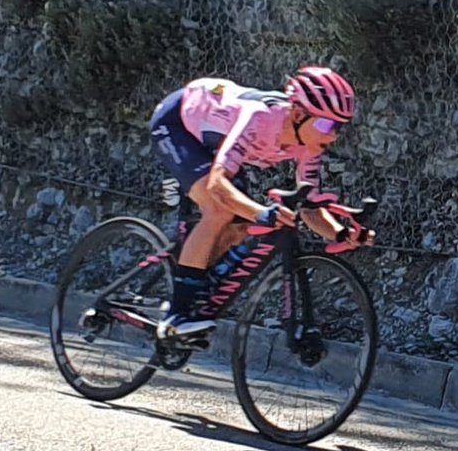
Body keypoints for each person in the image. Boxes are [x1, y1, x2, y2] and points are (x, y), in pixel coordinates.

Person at [149, 65, 368, 340]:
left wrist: (342, 233)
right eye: (326, 125)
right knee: (219, 210)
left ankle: (193, 277)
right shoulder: (260, 118)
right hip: (179, 124)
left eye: (339, 127)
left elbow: (310, 209)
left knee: (239, 226)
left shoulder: (310, 145)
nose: (332, 135)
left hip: (218, 139)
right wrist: (261, 213)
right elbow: (217, 184)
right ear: (298, 114)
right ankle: (177, 315)